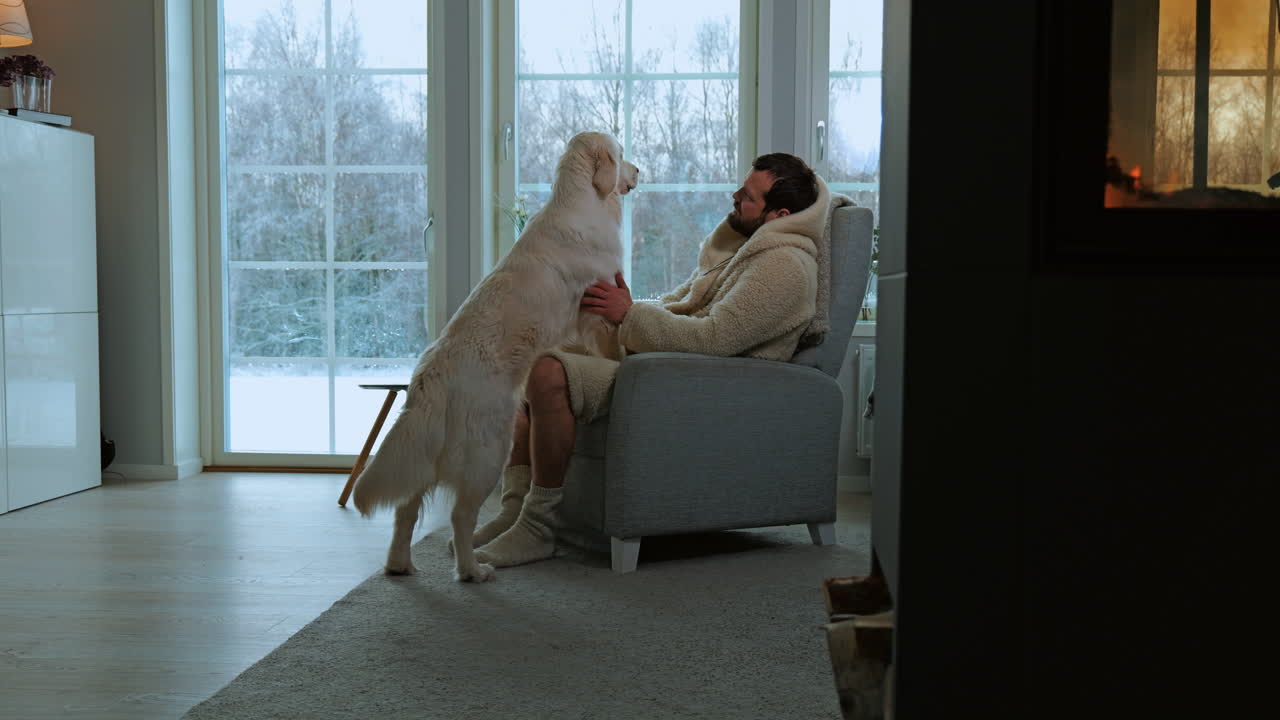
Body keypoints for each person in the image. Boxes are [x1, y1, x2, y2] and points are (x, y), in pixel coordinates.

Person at [473, 152, 834, 568]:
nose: (734, 196)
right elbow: (679, 305)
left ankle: (539, 529)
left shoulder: (783, 268)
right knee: (529, 365)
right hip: (664, 370)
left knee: (549, 373)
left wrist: (627, 314)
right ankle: (516, 511)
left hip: (690, 389)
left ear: (779, 214)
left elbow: (715, 338)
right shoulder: (748, 250)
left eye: (748, 196)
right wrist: (616, 306)